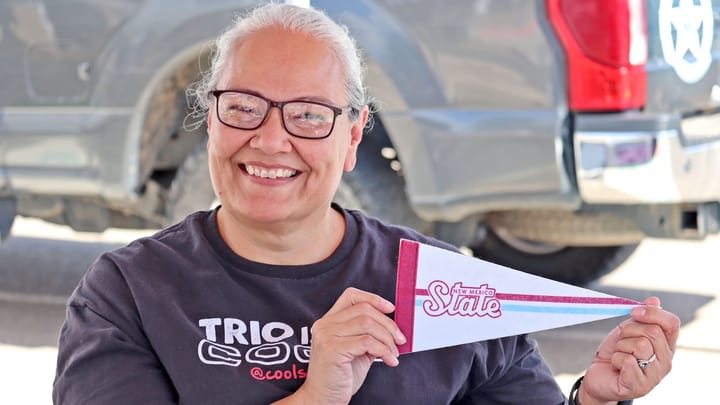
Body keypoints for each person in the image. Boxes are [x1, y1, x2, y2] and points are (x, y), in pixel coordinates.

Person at [53, 3, 680, 404]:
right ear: (210, 120)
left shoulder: (443, 289)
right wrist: (315, 395)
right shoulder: (127, 294)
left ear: (353, 137)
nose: (270, 139)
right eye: (242, 107)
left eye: (307, 115)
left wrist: (595, 401)